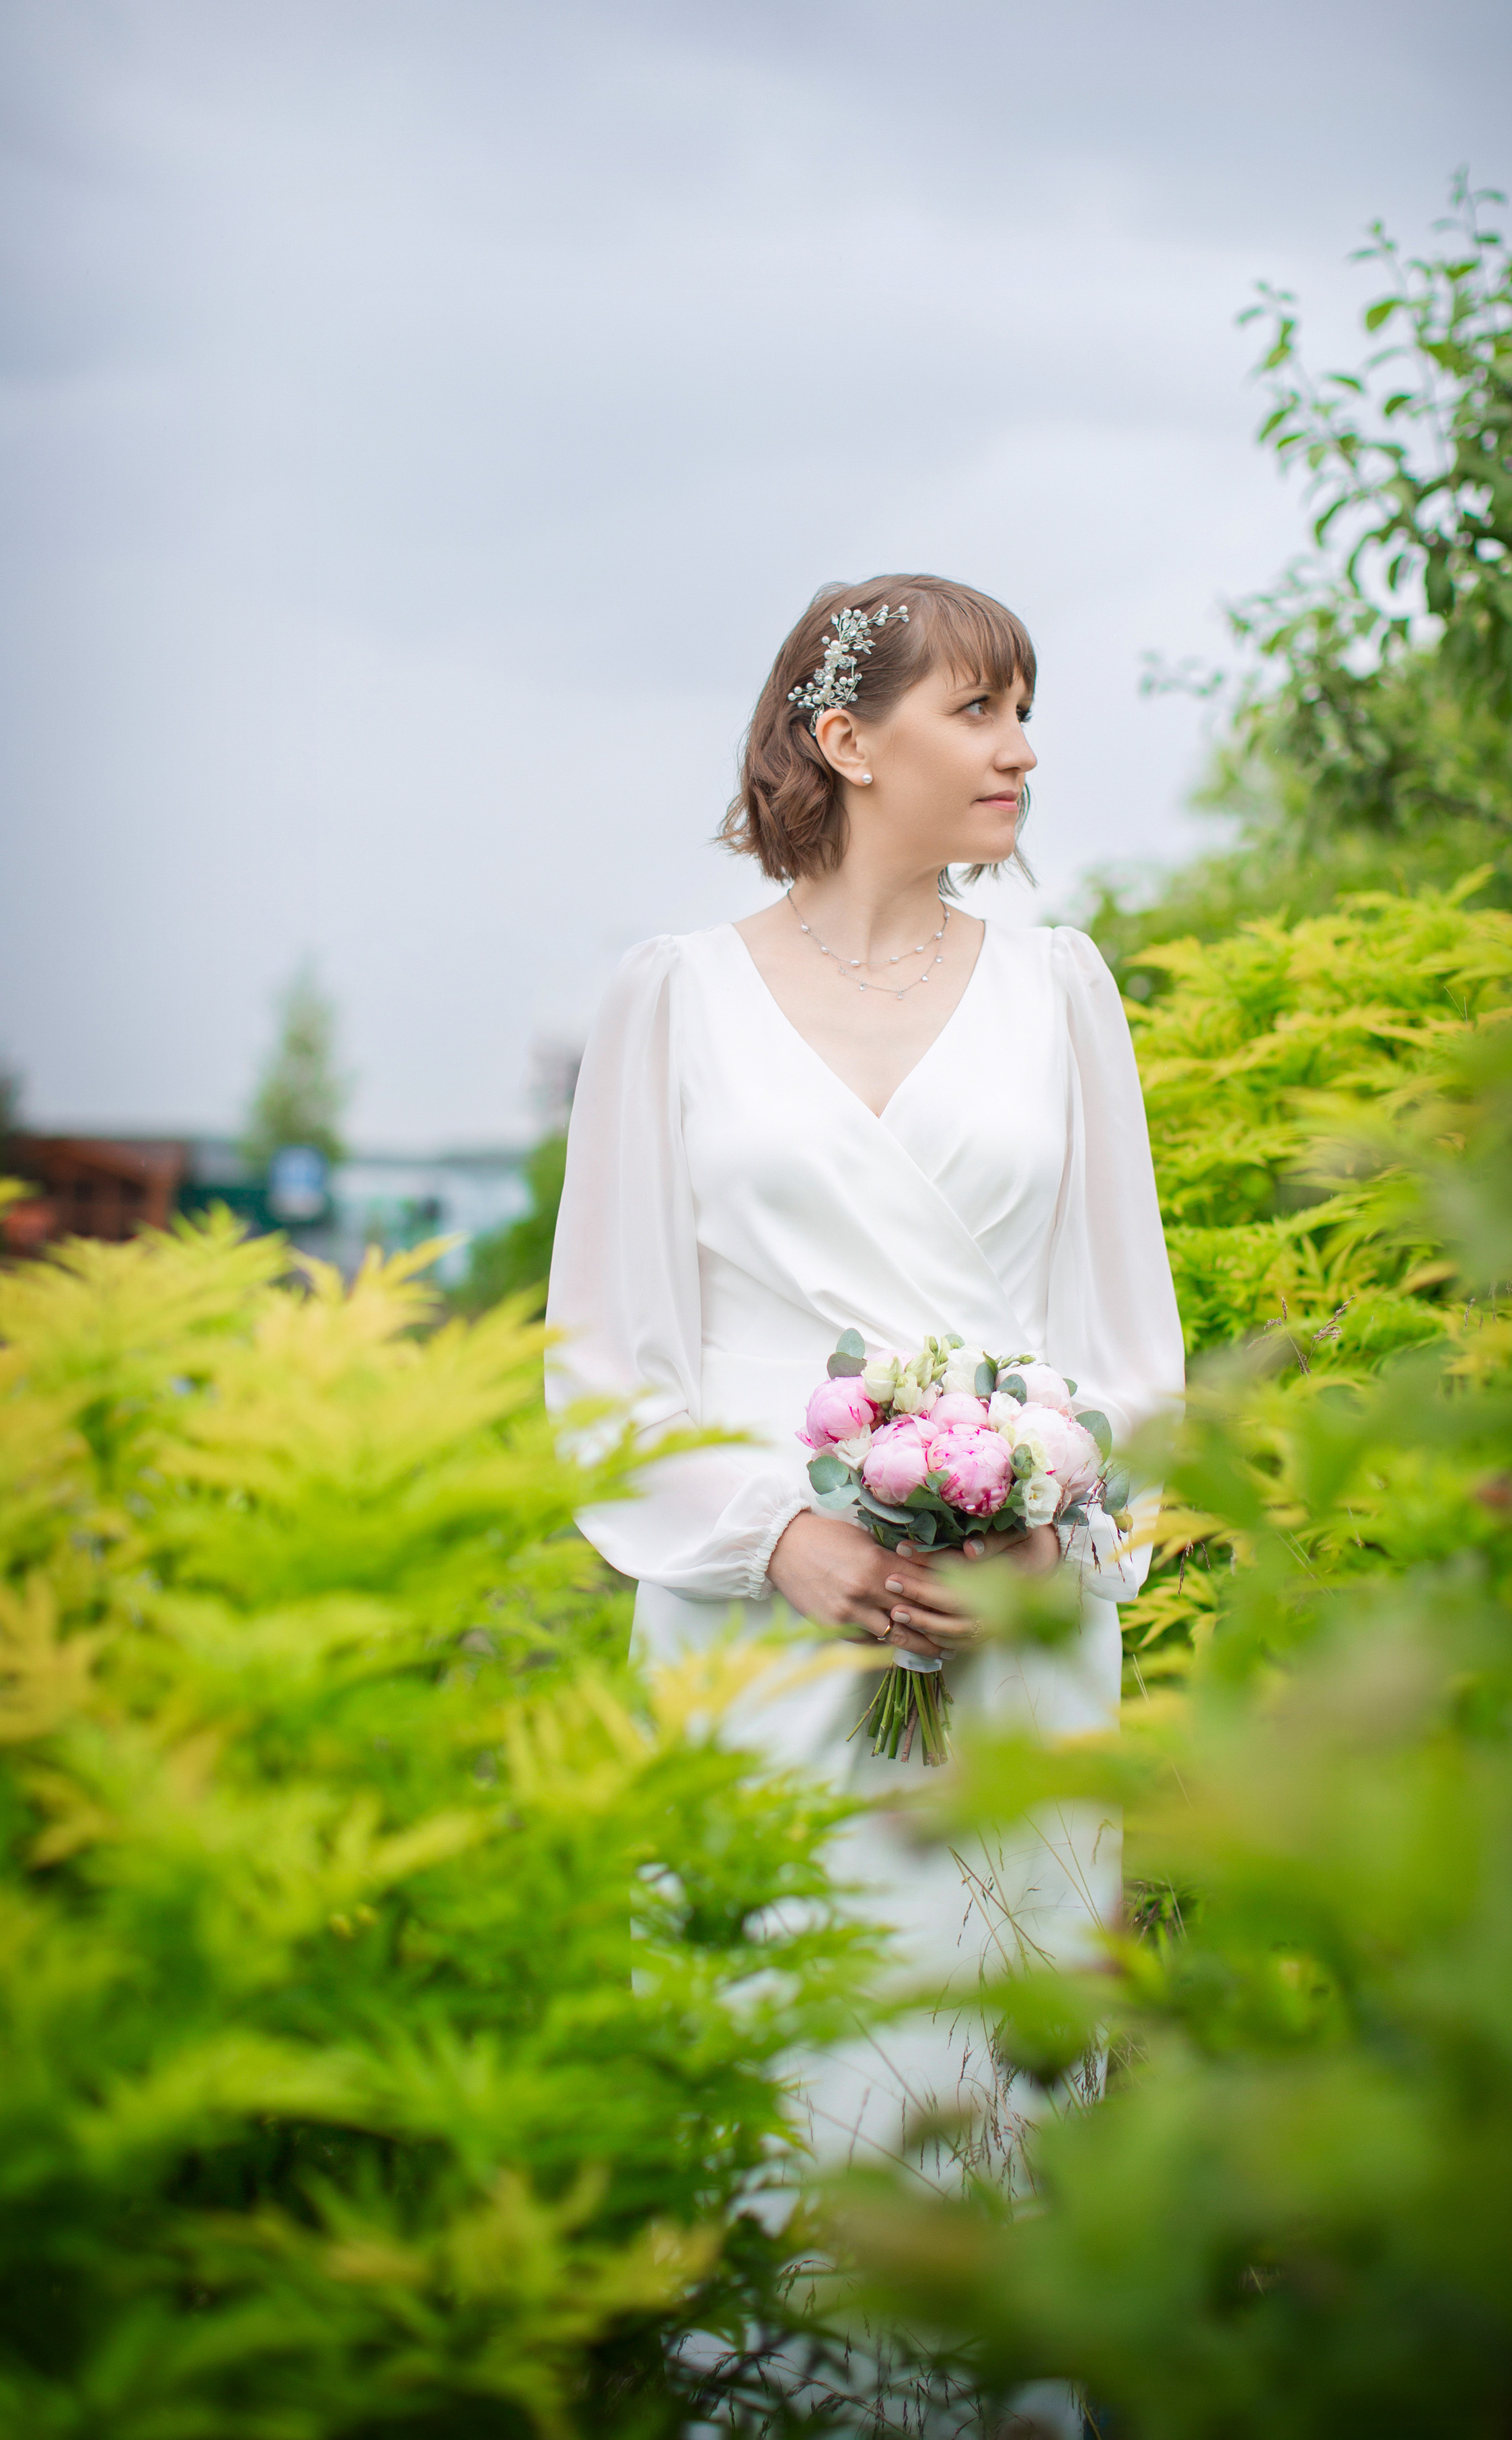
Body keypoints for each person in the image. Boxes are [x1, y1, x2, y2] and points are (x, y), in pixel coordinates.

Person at [545, 572, 1182, 2183]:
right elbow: (609, 1368)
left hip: (1017, 1650)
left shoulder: (1063, 990)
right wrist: (780, 1535)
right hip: (747, 1634)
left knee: (998, 2094)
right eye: (978, 709)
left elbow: (1130, 1356)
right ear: (841, 738)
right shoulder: (671, 996)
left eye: (1024, 710)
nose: (1020, 749)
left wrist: (1053, 1544)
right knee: (774, 2082)